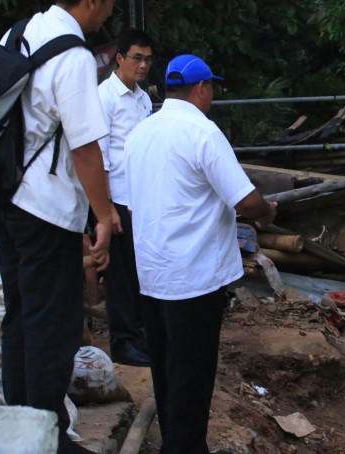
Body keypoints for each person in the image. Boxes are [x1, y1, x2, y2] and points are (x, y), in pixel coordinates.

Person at [0, 0, 117, 453]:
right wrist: (104, 215)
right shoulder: (74, 56)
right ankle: (47, 439)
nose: (108, 15)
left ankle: (19, 431)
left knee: (20, 314)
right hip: (41, 210)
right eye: (108, 4)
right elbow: (85, 146)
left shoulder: (18, 33)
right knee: (52, 328)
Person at [124, 54, 276, 453]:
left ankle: (176, 443)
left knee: (166, 366)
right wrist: (266, 212)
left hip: (153, 273)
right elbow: (246, 199)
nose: (212, 95)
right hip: (193, 276)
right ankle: (185, 447)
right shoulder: (201, 132)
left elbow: (134, 203)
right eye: (211, 88)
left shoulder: (141, 132)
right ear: (201, 88)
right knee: (193, 372)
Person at [95, 28, 155, 366]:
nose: (143, 65)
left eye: (148, 59)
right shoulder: (105, 97)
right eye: (136, 58)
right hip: (115, 197)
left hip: (140, 198)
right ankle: (123, 342)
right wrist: (105, 210)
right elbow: (99, 156)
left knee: (139, 268)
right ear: (119, 58)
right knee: (119, 274)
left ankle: (139, 335)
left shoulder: (143, 99)